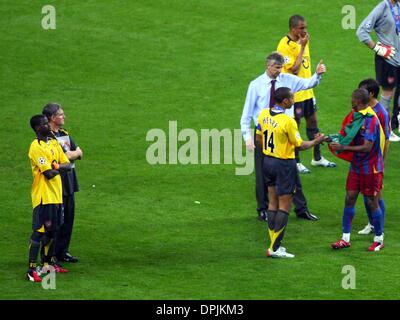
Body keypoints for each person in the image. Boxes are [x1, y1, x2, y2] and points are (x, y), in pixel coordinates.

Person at [240, 51, 324, 221]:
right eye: (276, 67)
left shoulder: (288, 80)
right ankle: (262, 209)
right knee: (262, 175)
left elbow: (309, 83)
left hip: (285, 135)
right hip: (263, 136)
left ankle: (301, 209)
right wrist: (247, 138)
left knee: (292, 170)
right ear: (268, 66)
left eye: (280, 67)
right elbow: (246, 115)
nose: (279, 71)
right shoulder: (255, 85)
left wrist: (318, 74)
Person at [255, 87, 326, 258]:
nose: (294, 101)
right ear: (285, 101)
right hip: (284, 165)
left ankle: (273, 244)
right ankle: (275, 248)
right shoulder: (288, 121)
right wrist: (317, 140)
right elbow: (300, 145)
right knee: (285, 205)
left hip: (267, 161)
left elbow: (258, 138)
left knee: (272, 203)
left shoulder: (263, 114)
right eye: (292, 98)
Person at [277, 14, 336, 173]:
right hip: (294, 94)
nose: (305, 30)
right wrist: (302, 47)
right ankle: (295, 161)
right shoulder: (284, 45)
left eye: (306, 27)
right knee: (294, 128)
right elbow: (294, 70)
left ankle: (317, 158)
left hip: (308, 91)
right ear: (293, 28)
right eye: (302, 28)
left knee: (313, 124)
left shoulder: (303, 39)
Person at [330, 89, 386, 251]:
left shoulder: (370, 120)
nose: (351, 102)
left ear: (359, 101)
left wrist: (343, 147)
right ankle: (345, 238)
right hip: (357, 166)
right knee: (350, 198)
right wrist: (331, 138)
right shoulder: (357, 116)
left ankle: (379, 239)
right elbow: (347, 135)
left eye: (353, 99)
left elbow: (367, 147)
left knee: (371, 201)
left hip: (371, 168)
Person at [27, 114, 71, 282]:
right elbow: (49, 173)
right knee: (39, 232)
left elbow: (67, 164)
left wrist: (57, 166)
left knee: (52, 232)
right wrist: (58, 167)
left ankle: (46, 265)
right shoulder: (35, 147)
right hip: (43, 197)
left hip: (56, 196)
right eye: (45, 123)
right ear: (38, 128)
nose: (48, 125)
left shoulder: (53, 143)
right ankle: (31, 270)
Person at [42, 103, 82, 263]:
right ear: (51, 118)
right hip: (56, 183)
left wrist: (71, 154)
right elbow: (62, 158)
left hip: (69, 181)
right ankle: (50, 254)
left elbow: (79, 152)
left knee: (68, 219)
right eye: (60, 114)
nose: (63, 116)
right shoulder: (48, 138)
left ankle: (62, 252)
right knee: (57, 220)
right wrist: (72, 155)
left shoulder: (64, 134)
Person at [357, 0, 400, 142]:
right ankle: (384, 128)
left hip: (398, 58)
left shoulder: (397, 5)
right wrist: (377, 48)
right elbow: (362, 31)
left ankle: (394, 123)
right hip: (388, 59)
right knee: (388, 93)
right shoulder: (382, 7)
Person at [356, 79, 390, 235]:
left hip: (375, 160)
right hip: (363, 158)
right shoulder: (363, 108)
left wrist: (382, 161)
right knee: (366, 192)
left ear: (371, 93)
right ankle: (372, 223)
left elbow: (386, 139)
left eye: (362, 91)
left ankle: (378, 227)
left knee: (375, 194)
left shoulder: (381, 113)